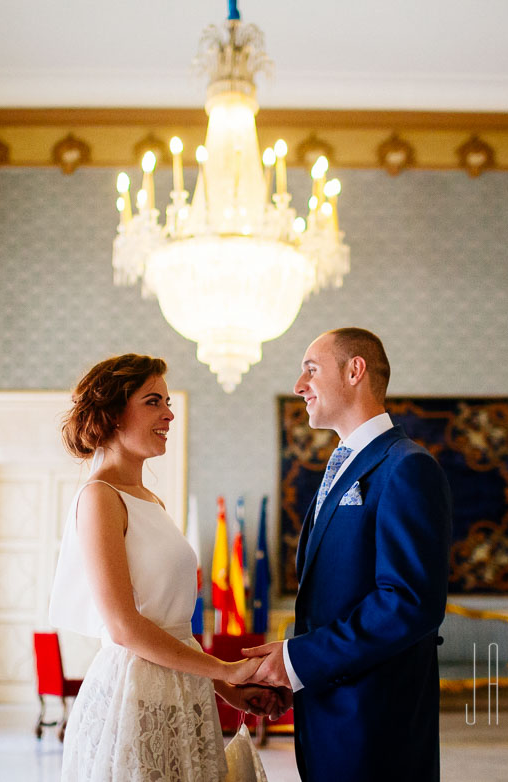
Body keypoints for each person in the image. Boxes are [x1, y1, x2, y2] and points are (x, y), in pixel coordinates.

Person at [49, 353, 282, 782]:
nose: (170, 414)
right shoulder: (100, 497)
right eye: (153, 402)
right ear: (113, 413)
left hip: (183, 693)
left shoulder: (151, 501)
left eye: (168, 402)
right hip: (132, 697)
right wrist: (225, 669)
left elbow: (172, 628)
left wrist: (228, 690)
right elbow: (123, 627)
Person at [243, 328, 452, 782]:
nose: (299, 385)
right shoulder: (341, 466)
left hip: (376, 726)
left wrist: (299, 660)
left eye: (311, 369)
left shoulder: (406, 466)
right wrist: (296, 670)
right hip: (329, 713)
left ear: (355, 370)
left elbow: (408, 603)